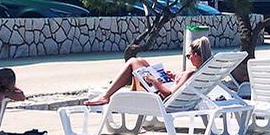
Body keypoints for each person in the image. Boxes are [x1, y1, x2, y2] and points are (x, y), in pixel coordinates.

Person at [84, 38, 212, 106]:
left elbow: (168, 94)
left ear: (196, 55)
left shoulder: (190, 73)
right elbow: (177, 89)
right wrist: (175, 77)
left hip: (157, 100)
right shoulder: (200, 71)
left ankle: (105, 96)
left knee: (133, 62)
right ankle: (123, 90)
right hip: (170, 99)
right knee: (141, 61)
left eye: (189, 56)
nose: (189, 58)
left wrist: (154, 81)